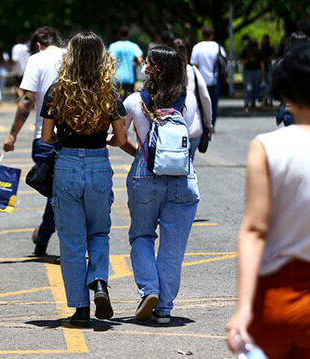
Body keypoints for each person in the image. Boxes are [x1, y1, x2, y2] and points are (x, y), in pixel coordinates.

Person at [226, 44, 310, 358]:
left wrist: (243, 309)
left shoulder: (265, 147)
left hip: (275, 301)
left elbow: (254, 231)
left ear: (284, 93)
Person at [41, 31, 127, 328]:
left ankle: (80, 310)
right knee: (99, 232)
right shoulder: (110, 90)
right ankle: (100, 281)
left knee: (72, 242)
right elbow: (122, 137)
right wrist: (106, 141)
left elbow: (46, 137)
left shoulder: (58, 90)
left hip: (66, 166)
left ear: (71, 56)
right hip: (98, 164)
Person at [121, 46, 200, 324]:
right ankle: (164, 308)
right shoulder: (187, 100)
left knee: (142, 236)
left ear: (154, 69)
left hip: (145, 175)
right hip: (182, 177)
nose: (143, 64)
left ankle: (149, 289)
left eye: (147, 61)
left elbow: (118, 138)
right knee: (172, 247)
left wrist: (141, 154)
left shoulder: (133, 101)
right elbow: (192, 132)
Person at [3, 26, 64, 256]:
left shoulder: (37, 60)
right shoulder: (73, 55)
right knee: (61, 193)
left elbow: (27, 101)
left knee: (56, 192)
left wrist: (12, 135)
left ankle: (45, 234)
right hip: (75, 136)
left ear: (37, 45)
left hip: (45, 137)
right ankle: (47, 234)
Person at [173, 38, 213, 160]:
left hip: (169, 131)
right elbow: (205, 98)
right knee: (188, 165)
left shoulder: (163, 72)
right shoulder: (193, 71)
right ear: (186, 55)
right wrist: (208, 123)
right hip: (194, 129)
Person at [190, 27, 226, 128]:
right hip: (215, 80)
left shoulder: (197, 47)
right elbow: (223, 62)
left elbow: (194, 65)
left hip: (201, 81)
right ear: (212, 35)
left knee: (201, 104)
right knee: (213, 104)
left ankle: (203, 124)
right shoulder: (218, 47)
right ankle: (211, 124)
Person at [108, 26, 143, 100]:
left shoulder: (113, 46)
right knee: (128, 100)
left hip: (116, 78)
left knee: (116, 100)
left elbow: (110, 60)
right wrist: (135, 64)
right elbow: (140, 60)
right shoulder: (133, 46)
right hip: (129, 78)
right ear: (128, 34)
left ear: (119, 35)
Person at [240, 39, 263, 112]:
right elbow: (241, 62)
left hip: (257, 71)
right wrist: (249, 59)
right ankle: (246, 103)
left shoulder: (259, 52)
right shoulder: (245, 51)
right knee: (248, 88)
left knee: (255, 88)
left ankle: (252, 103)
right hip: (248, 71)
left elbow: (262, 64)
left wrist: (263, 75)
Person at [260, 34, 274, 107]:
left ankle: (270, 100)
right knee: (264, 84)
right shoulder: (261, 48)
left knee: (270, 84)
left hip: (268, 67)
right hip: (262, 67)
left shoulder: (270, 48)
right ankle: (265, 99)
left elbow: (272, 57)